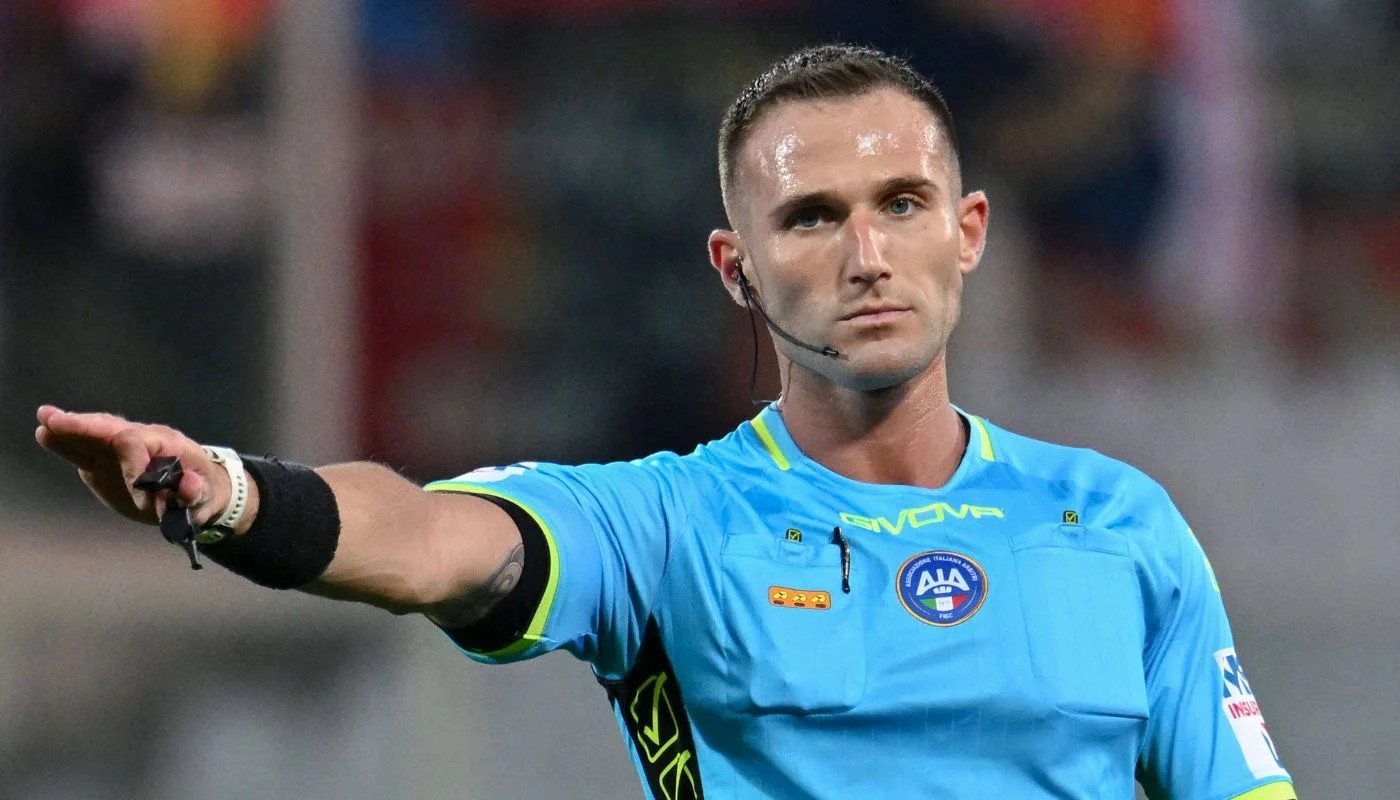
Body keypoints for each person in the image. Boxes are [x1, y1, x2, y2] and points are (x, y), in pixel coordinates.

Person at [34, 44, 1295, 799]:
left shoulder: (1117, 521)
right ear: (735, 267)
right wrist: (232, 492)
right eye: (811, 216)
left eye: (901, 203)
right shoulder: (666, 524)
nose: (866, 255)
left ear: (966, 233)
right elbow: (420, 537)